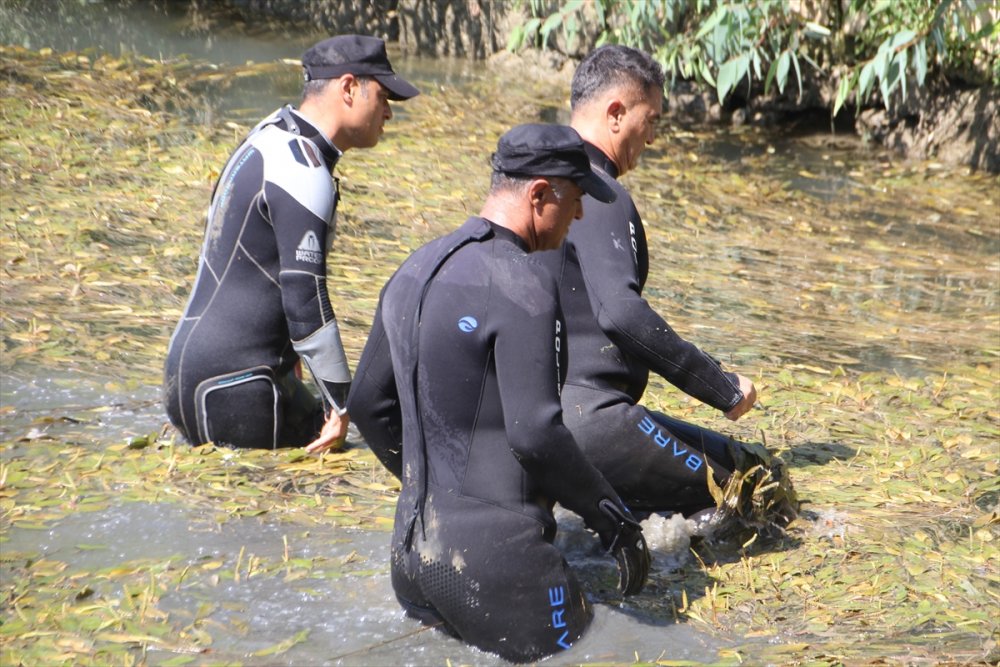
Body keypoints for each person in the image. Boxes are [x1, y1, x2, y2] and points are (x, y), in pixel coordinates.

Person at [345, 124, 651, 663]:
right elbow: (536, 434)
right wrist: (615, 520)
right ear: (539, 195)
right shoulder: (523, 283)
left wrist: (431, 486)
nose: (579, 217)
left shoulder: (414, 268)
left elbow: (368, 404)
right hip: (502, 566)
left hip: (412, 556)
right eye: (575, 200)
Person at [536, 44, 795, 526]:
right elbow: (620, 312)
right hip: (593, 421)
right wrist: (722, 387)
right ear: (616, 114)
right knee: (756, 483)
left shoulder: (534, 186)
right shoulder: (599, 190)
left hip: (537, 420)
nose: (651, 139)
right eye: (650, 120)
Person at [163, 35, 418, 451]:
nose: (389, 112)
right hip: (240, 388)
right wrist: (340, 404)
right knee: (333, 482)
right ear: (349, 88)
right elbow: (305, 300)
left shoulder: (267, 138)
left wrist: (294, 358)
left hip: (188, 371)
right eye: (385, 96)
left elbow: (244, 260)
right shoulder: (304, 169)